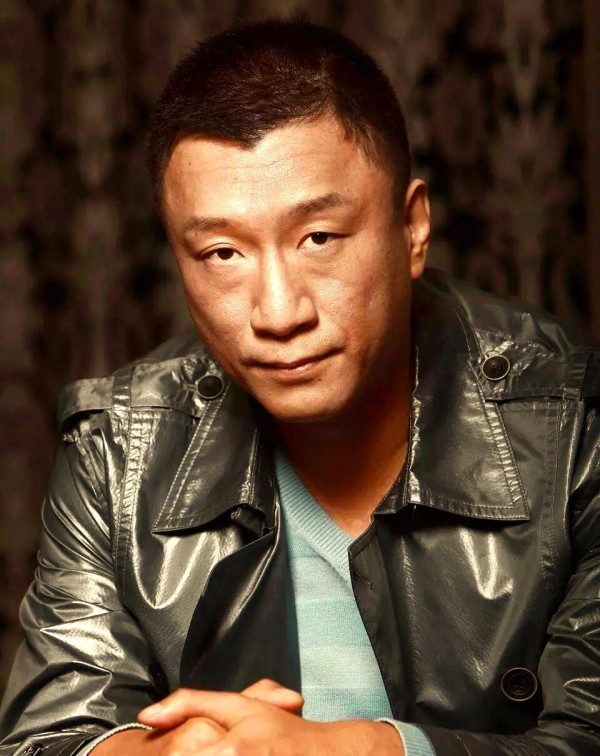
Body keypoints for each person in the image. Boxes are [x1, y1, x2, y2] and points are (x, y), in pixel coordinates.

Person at [1, 17, 600, 756]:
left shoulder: (573, 424)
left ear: (412, 227)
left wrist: (358, 750)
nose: (279, 313)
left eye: (318, 238)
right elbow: (49, 737)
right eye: (222, 253)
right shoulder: (119, 449)